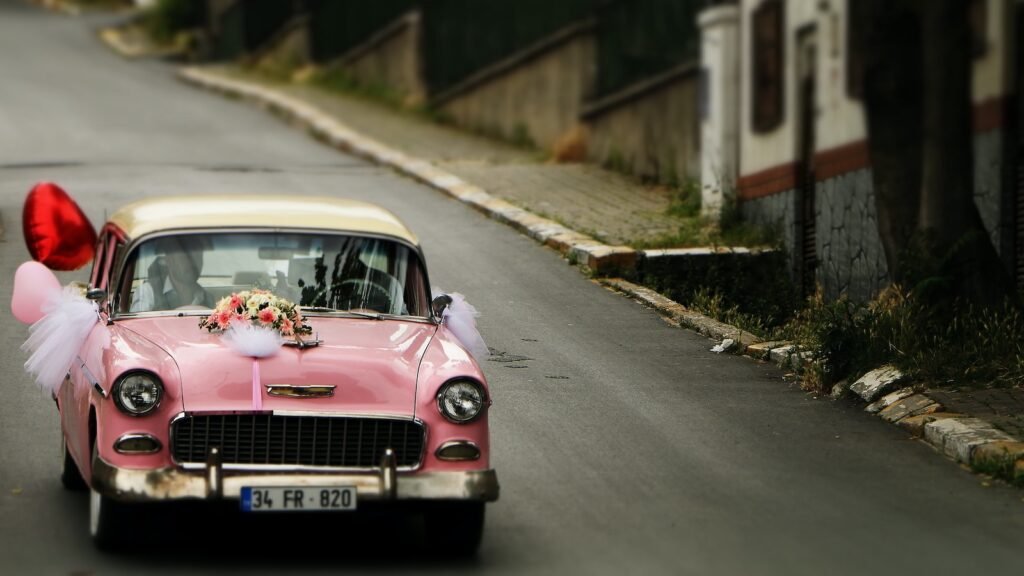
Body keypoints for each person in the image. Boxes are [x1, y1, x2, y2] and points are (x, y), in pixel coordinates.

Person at [130, 237, 211, 312]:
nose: (192, 261)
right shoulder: (148, 293)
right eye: (185, 255)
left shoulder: (208, 298)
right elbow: (134, 325)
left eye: (198, 254)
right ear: (169, 259)